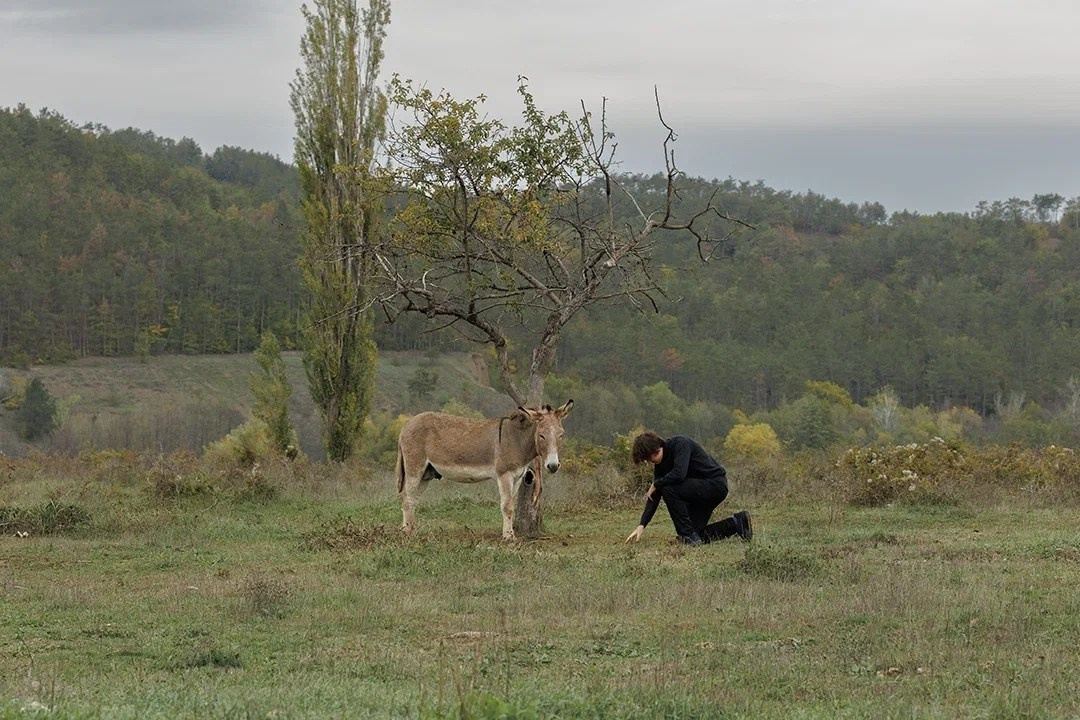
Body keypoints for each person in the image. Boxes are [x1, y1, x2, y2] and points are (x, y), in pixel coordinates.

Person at [624, 430, 752, 547]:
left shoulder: (681, 443)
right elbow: (654, 495)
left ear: (659, 446)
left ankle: (687, 536)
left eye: (654, 454)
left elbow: (679, 474)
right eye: (648, 459)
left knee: (668, 488)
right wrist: (642, 525)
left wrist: (657, 484)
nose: (653, 460)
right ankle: (737, 522)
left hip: (715, 485)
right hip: (697, 493)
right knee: (696, 533)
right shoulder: (660, 466)